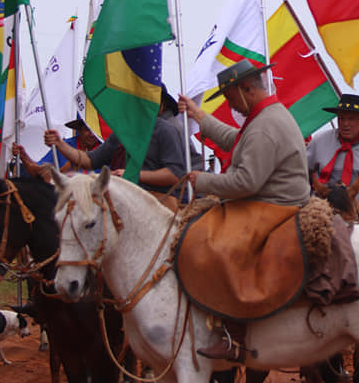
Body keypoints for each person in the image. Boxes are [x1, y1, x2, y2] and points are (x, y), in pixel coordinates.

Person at [178, 59, 311, 361]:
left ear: (247, 89)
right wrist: (200, 116)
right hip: (269, 199)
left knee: (221, 248)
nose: (230, 104)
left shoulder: (265, 126)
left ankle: (234, 335)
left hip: (274, 205)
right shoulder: (265, 117)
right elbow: (236, 141)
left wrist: (204, 181)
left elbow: (247, 181)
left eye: (230, 97)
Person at [42, 112, 185, 198]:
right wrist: (59, 143)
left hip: (158, 202)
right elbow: (90, 160)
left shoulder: (165, 131)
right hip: (121, 199)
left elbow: (174, 174)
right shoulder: (122, 132)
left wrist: (132, 175)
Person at [307, 94, 359, 202]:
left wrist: (351, 201)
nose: (345, 124)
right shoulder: (319, 140)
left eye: (351, 119)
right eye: (341, 118)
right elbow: (301, 175)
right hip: (321, 205)